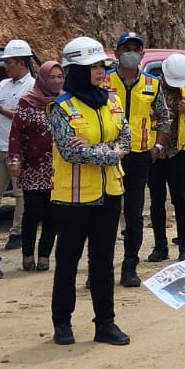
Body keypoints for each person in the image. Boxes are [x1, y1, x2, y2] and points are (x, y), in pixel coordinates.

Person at [47, 36, 131, 347]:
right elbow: (71, 152)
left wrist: (101, 150)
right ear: (75, 71)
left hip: (109, 193)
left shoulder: (112, 100)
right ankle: (62, 322)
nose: (100, 71)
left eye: (101, 65)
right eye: (92, 66)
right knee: (68, 262)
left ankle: (105, 323)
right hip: (72, 199)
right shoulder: (61, 107)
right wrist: (110, 153)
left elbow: (127, 139)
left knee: (103, 262)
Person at [107, 32, 170, 288]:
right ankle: (99, 268)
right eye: (126, 48)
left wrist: (157, 146)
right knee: (106, 214)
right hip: (109, 156)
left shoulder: (152, 85)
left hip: (140, 156)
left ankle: (130, 266)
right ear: (117, 52)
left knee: (134, 214)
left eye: (136, 48)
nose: (131, 52)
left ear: (142, 54)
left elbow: (164, 118)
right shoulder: (104, 82)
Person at [7, 60, 61, 272]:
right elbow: (16, 133)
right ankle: (27, 253)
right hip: (32, 167)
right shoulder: (27, 102)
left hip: (57, 168)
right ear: (42, 79)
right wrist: (14, 159)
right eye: (52, 77)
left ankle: (45, 255)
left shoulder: (64, 101)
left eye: (59, 77)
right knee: (33, 212)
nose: (56, 81)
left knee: (53, 215)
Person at [148, 53, 185, 264]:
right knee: (157, 199)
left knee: (181, 199)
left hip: (178, 151)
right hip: (154, 152)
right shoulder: (150, 88)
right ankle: (160, 246)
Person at [0, 40, 35, 252]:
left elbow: (24, 116)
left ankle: (17, 232)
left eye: (9, 62)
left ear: (21, 62)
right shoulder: (3, 85)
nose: (5, 66)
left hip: (18, 148)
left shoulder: (32, 87)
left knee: (20, 194)